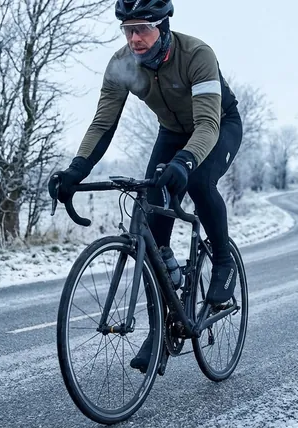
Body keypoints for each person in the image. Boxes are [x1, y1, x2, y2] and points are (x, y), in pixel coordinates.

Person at [48, 0, 242, 372]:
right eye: (127, 29)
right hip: (171, 132)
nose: (134, 38)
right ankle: (162, 330)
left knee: (200, 181)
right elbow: (103, 124)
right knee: (154, 233)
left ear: (163, 25)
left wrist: (185, 161)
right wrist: (76, 169)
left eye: (142, 29)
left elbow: (207, 125)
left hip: (218, 125)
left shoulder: (196, 54)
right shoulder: (122, 64)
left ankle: (222, 262)